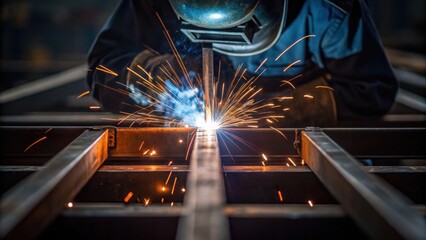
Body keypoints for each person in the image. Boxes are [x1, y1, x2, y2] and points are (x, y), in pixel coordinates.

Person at [87, 0, 398, 126]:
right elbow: (104, 66)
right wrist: (155, 77)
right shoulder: (151, 3)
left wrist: (269, 112)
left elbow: (372, 91)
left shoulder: (326, 10)